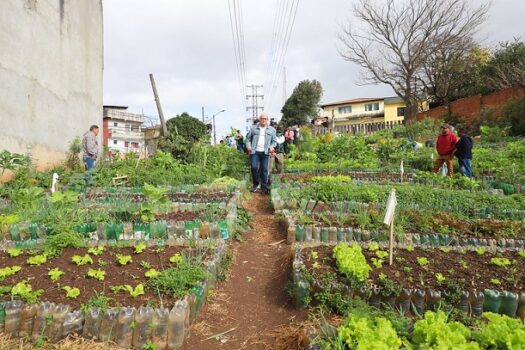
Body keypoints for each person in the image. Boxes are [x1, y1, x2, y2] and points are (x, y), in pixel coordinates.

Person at [246, 113, 277, 194]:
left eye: (265, 119)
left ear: (267, 120)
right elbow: (248, 139)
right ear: (259, 119)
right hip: (254, 151)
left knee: (264, 169)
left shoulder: (272, 130)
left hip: (265, 152)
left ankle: (264, 187)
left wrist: (271, 147)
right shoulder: (253, 129)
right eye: (262, 118)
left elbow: (274, 141)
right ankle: (256, 184)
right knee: (254, 167)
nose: (264, 120)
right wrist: (249, 146)